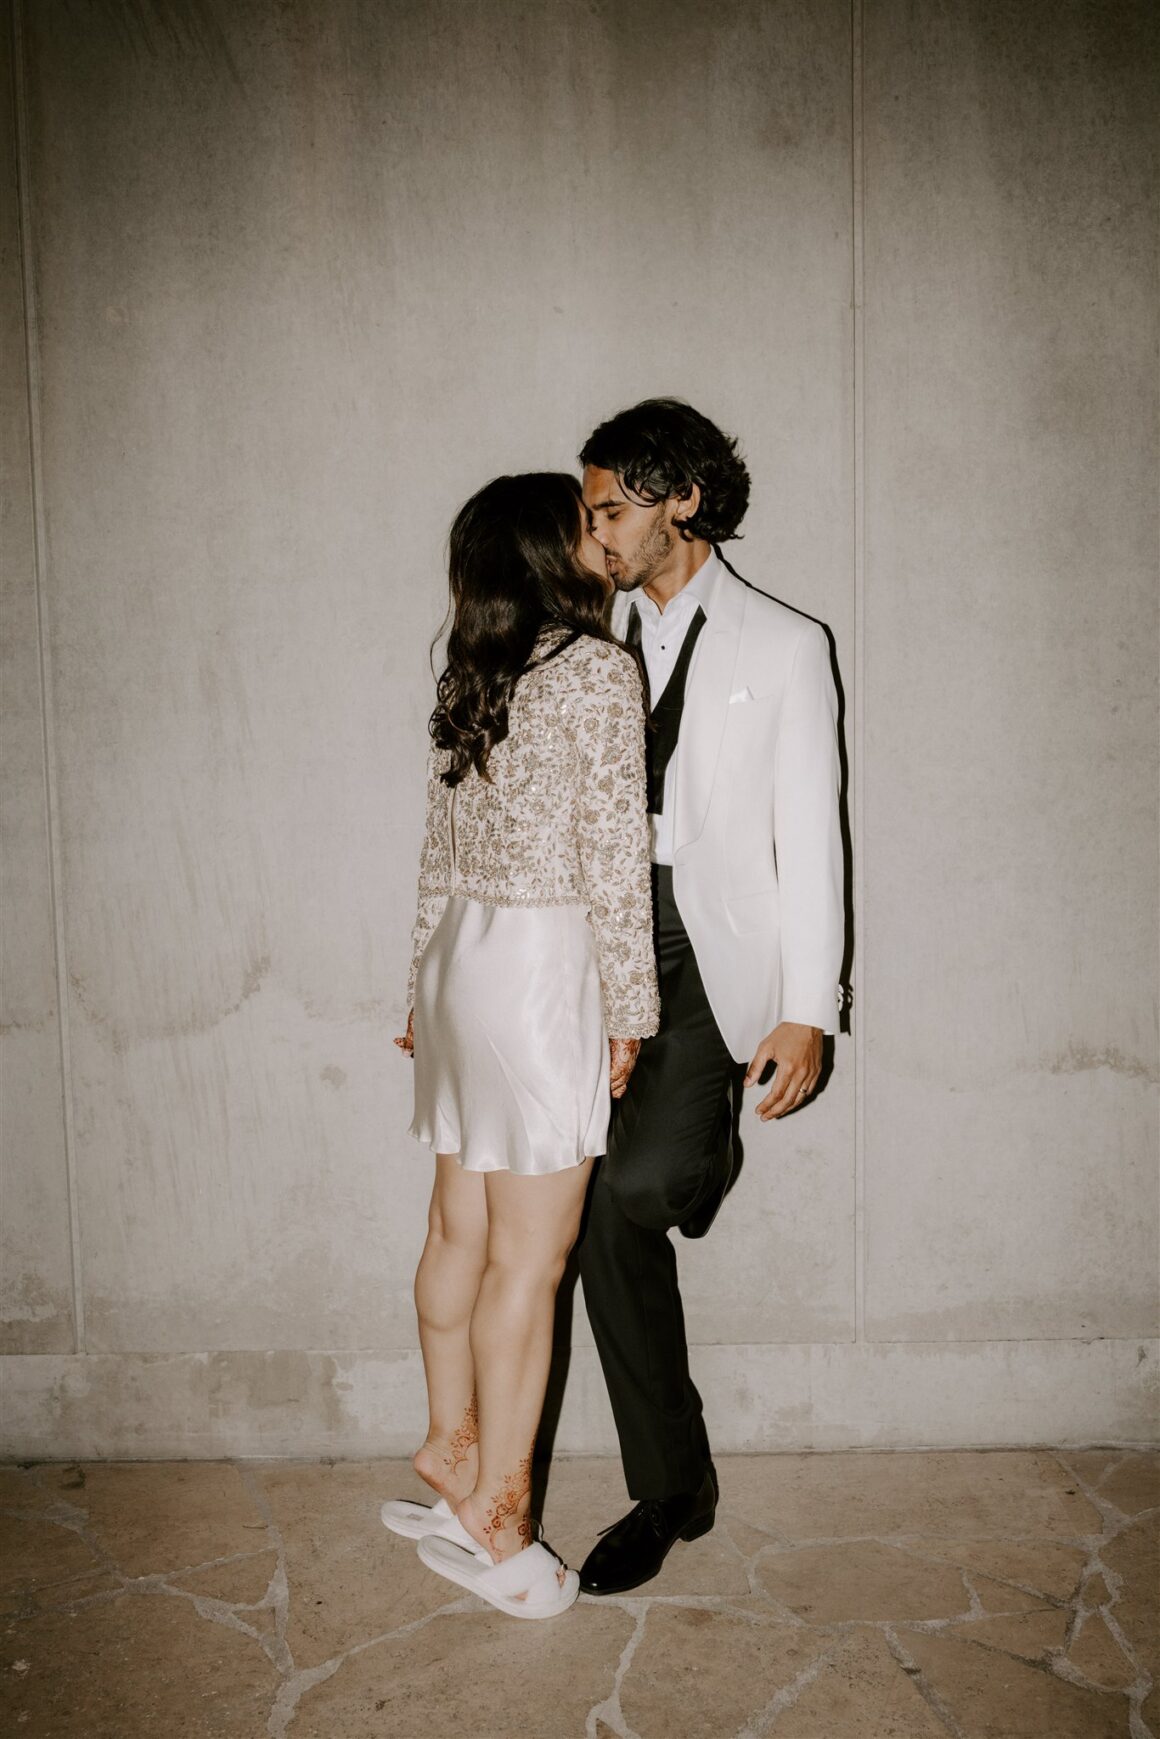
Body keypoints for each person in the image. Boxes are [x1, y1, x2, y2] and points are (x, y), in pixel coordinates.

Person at [576, 399, 844, 1595]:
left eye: (610, 510)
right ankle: (668, 1486)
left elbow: (811, 837)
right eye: (589, 513)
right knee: (593, 1209)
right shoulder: (583, 635)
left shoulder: (785, 645)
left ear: (679, 499)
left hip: (709, 950)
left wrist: (807, 1006)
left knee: (641, 1184)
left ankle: (700, 1146)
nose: (595, 534)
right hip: (593, 943)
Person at [384, 472, 659, 1619]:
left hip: (460, 962)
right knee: (528, 1262)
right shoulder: (596, 669)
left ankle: (452, 1447)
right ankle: (501, 1517)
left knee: (458, 1224)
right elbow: (614, 860)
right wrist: (630, 1010)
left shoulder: (473, 669)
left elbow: (435, 846)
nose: (602, 536)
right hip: (539, 973)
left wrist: (417, 985)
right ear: (550, 551)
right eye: (585, 523)